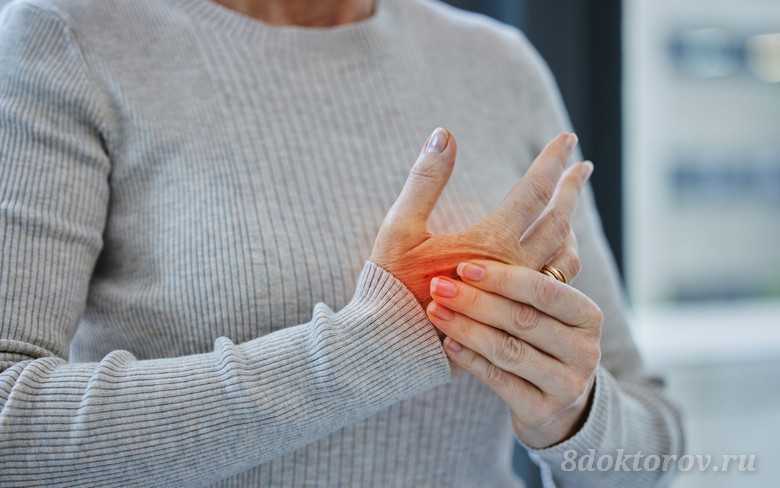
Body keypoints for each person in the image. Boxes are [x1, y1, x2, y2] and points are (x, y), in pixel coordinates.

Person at [0, 0, 683, 486]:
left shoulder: (497, 63)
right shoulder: (68, 38)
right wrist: (374, 346)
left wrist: (570, 413)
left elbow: (650, 444)